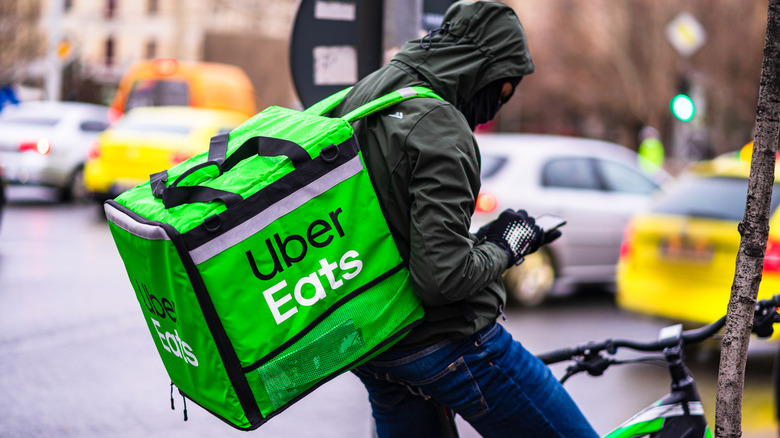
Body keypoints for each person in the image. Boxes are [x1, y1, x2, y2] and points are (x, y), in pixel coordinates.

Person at [328, 2, 598, 437]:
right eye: (506, 86)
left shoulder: (369, 92)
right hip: (451, 345)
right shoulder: (440, 126)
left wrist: (477, 241)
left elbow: (394, 223)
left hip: (377, 344)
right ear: (483, 71)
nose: (503, 100)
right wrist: (506, 247)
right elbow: (443, 280)